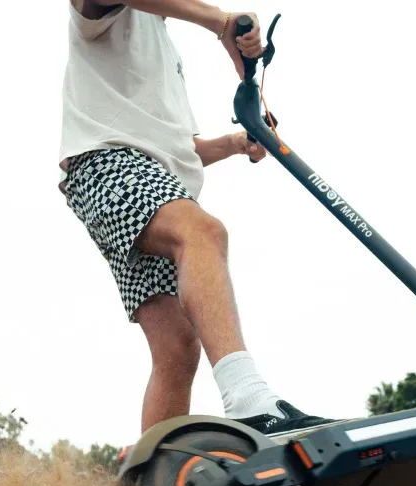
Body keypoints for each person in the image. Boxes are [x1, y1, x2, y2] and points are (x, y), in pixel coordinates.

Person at [59, 0, 337, 437]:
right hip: (107, 165)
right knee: (202, 232)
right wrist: (220, 22)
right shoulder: (105, 14)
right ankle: (250, 402)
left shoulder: (166, 55)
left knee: (176, 349)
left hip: (153, 179)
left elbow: (181, 149)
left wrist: (234, 142)